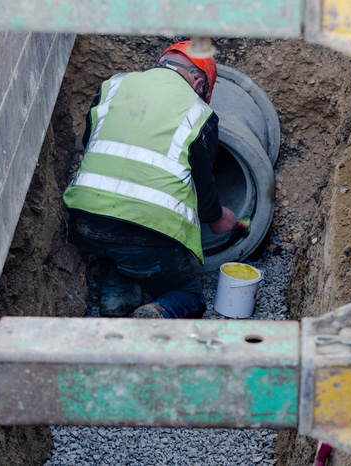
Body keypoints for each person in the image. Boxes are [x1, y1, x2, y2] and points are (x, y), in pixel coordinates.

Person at [63, 41, 239, 319]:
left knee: (115, 246)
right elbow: (202, 185)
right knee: (189, 296)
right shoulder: (199, 114)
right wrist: (218, 217)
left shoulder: (113, 86)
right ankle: (158, 312)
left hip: (85, 222)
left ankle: (115, 296)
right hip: (149, 238)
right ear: (198, 81)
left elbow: (90, 144)